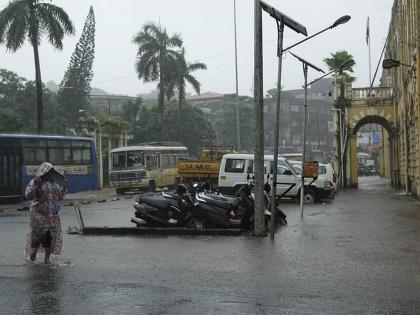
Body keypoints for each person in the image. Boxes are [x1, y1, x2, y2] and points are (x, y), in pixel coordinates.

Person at [24, 162, 68, 264]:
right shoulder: (35, 182)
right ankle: (32, 258)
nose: (49, 174)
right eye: (48, 172)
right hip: (38, 216)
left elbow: (60, 197)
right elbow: (28, 195)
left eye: (51, 172)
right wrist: (36, 185)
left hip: (51, 217)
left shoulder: (54, 185)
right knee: (36, 238)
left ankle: (46, 260)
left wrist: (65, 186)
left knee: (48, 238)